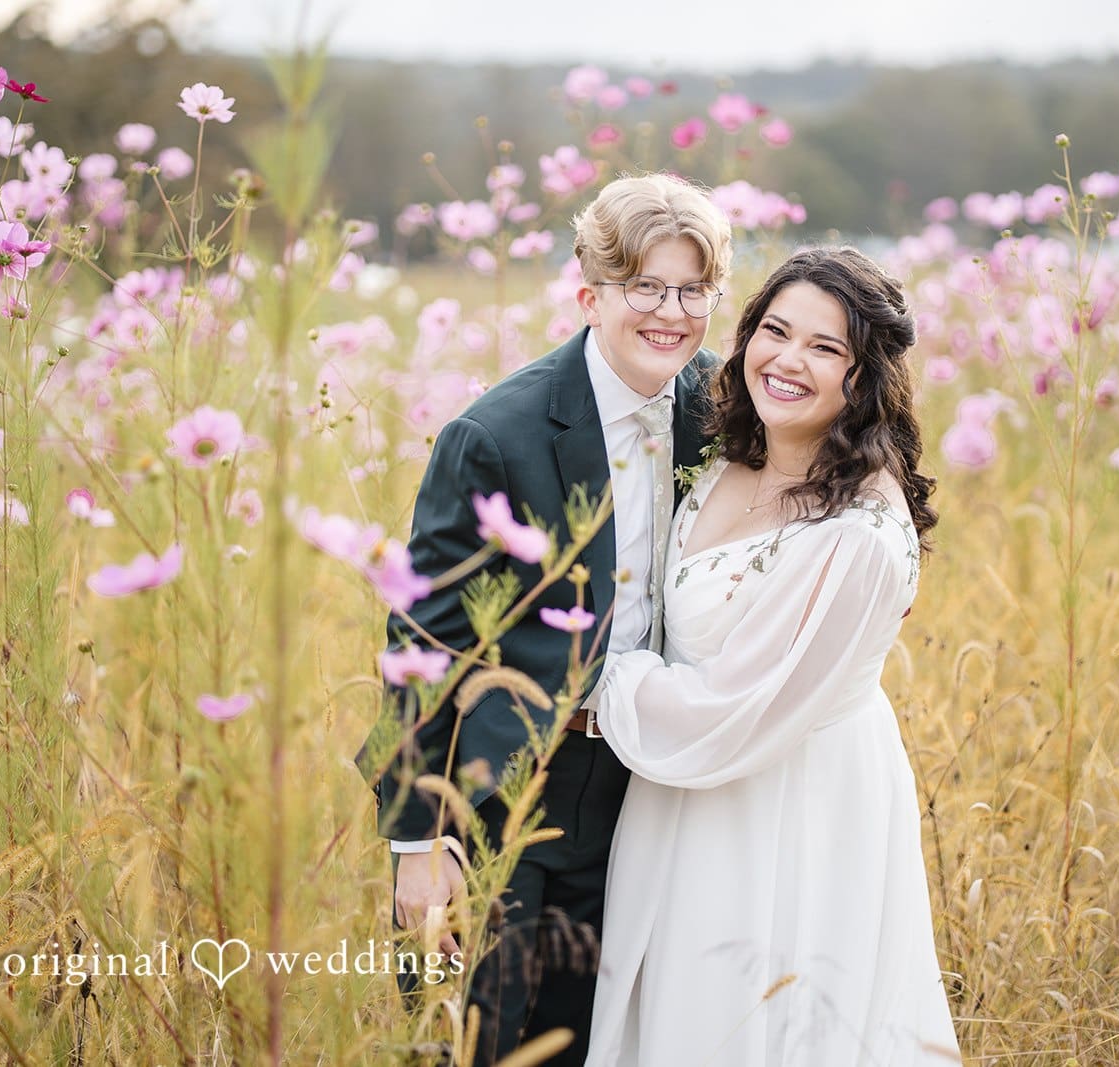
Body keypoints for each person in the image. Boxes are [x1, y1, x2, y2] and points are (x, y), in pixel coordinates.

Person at [359, 172, 734, 1066]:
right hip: (504, 789)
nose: (669, 313)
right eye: (645, 286)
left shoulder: (720, 407)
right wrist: (419, 839)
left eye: (693, 291)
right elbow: (424, 640)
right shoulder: (497, 435)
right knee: (472, 1039)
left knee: (590, 1043)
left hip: (648, 789)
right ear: (589, 290)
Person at [586, 247, 962, 1065]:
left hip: (789, 804)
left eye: (825, 348)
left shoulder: (858, 532)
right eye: (775, 330)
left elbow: (732, 706)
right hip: (681, 789)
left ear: (863, 379)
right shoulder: (727, 455)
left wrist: (591, 674)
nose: (788, 360)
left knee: (758, 1017)